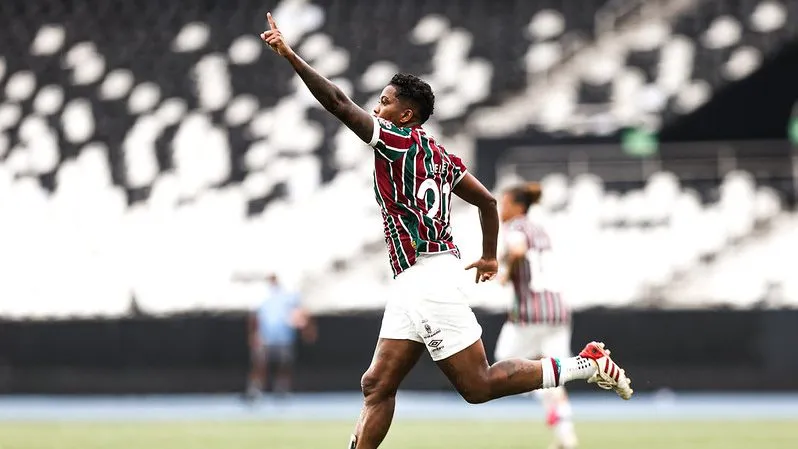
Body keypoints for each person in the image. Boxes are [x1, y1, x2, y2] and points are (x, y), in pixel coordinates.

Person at [260, 13, 632, 449]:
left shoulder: (396, 141)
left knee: (478, 385)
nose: (376, 108)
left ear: (407, 113)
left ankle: (586, 365)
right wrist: (490, 255)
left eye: (383, 102)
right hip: (415, 277)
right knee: (377, 384)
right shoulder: (440, 155)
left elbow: (339, 104)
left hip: (425, 276)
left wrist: (291, 56)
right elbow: (488, 202)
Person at [495, 183, 578, 449]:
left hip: (531, 313)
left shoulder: (516, 227)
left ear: (518, 206)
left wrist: (505, 268)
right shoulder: (540, 230)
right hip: (558, 311)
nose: (500, 209)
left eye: (504, 203)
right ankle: (566, 435)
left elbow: (518, 251)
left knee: (502, 362)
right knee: (555, 372)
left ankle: (545, 394)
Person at [244, 273, 316, 401]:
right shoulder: (261, 295)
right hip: (266, 336)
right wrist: (254, 334)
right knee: (260, 364)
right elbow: (255, 316)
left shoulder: (289, 295)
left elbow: (301, 312)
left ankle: (282, 389)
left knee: (284, 364)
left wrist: (306, 329)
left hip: (283, 336)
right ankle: (255, 390)